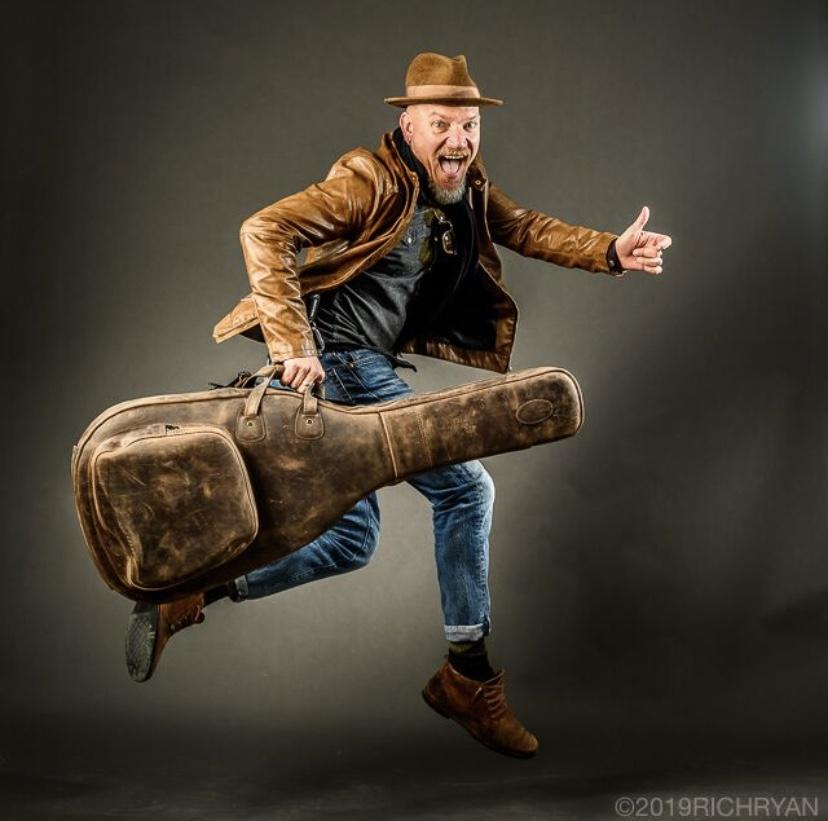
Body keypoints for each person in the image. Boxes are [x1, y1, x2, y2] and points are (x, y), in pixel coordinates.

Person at [124, 52, 672, 759]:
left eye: (468, 125)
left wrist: (612, 251)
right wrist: (294, 343)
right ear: (408, 126)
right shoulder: (369, 178)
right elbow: (264, 230)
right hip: (338, 363)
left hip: (365, 366)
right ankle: (466, 675)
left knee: (353, 540)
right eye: (441, 124)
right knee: (468, 489)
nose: (458, 140)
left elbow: (527, 227)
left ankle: (191, 593)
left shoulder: (466, 187)